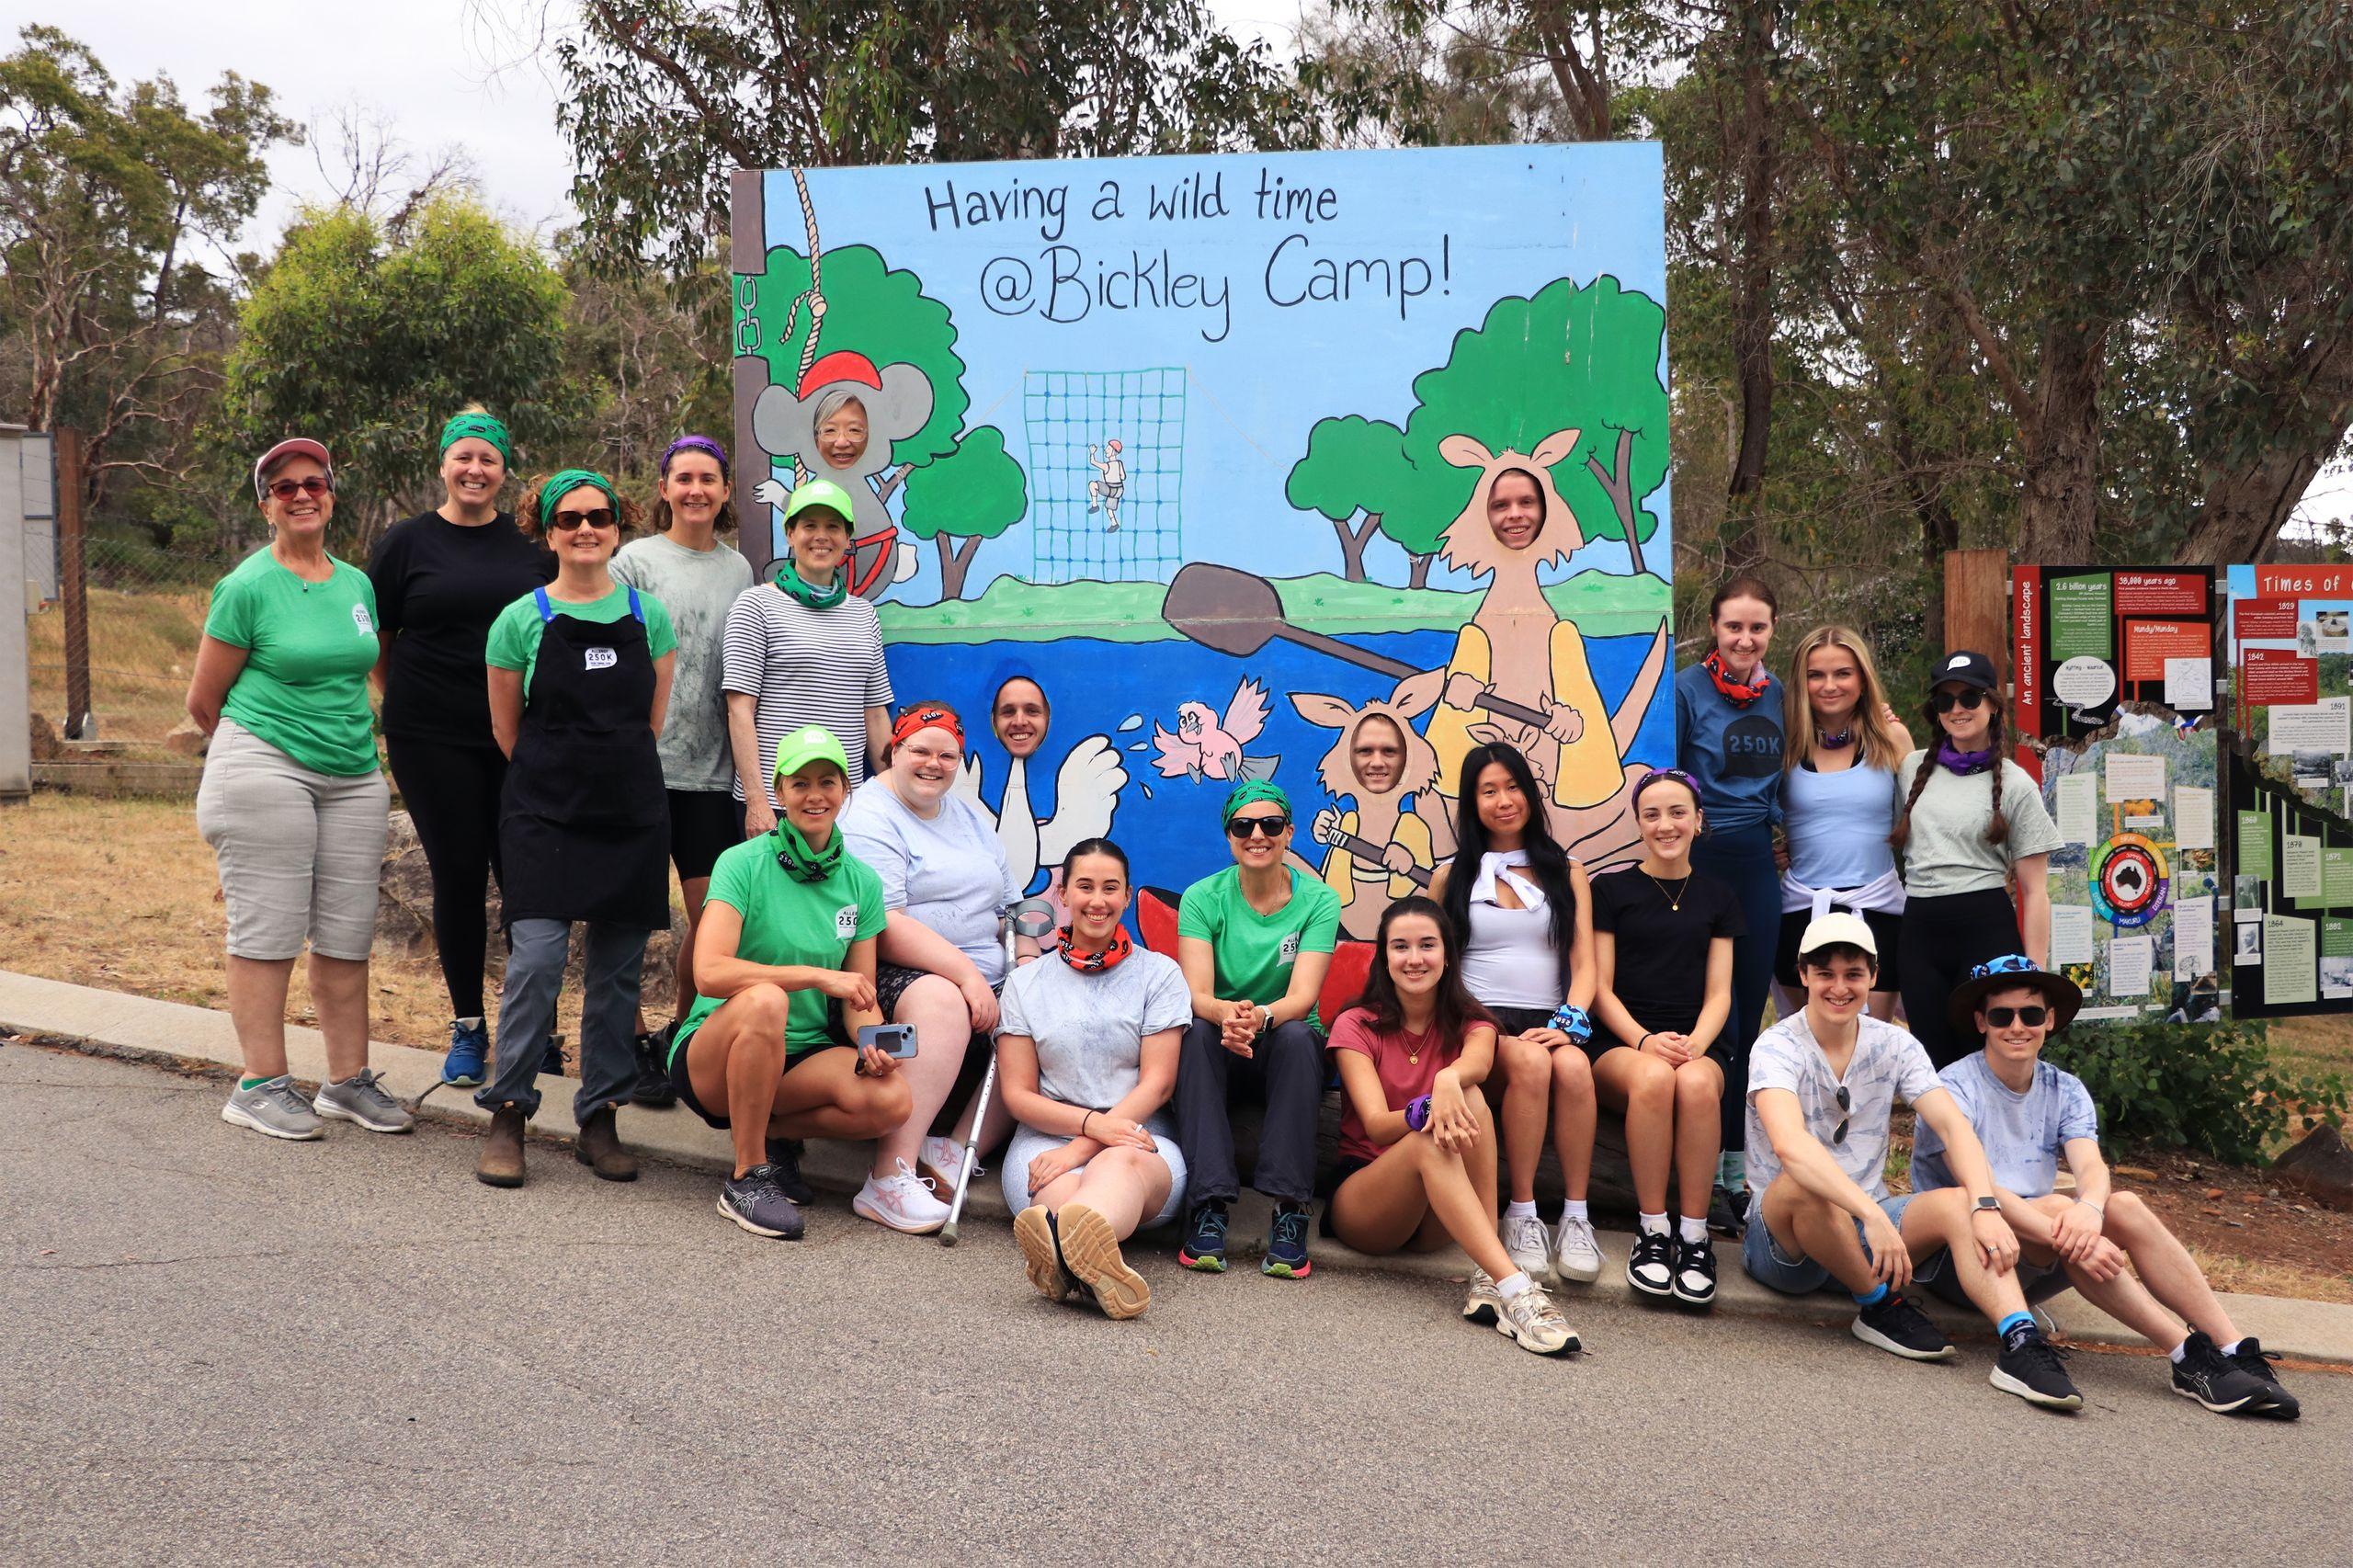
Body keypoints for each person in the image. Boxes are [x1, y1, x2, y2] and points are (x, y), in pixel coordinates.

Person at [1913, 956, 2301, 1417]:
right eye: (2002, 1016)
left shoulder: (2065, 1089)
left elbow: (2091, 1167)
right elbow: (1979, 1186)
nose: (2018, 1027)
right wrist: (2069, 1228)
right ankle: (2186, 1356)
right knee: (2060, 1207)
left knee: (2125, 1205)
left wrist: (2091, 1212)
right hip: (1964, 1261)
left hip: (2033, 1249)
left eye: (2031, 1014)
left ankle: (2232, 1347)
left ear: (2050, 1020)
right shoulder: (1955, 1086)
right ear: (1981, 1022)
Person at [1744, 916, 2085, 1412]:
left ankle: (2021, 1343)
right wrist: (1871, 1213)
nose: (1840, 987)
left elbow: (1952, 1126)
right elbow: (1790, 1145)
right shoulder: (1778, 1044)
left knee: (1955, 1202)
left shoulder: (1896, 1044)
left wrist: (1985, 1204)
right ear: (1803, 976)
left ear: (1874, 976)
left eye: (1853, 974)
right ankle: (1878, 1306)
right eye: (1825, 973)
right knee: (1802, 1184)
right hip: (1788, 1245)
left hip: (1865, 1238)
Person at [189, 438, 410, 1142]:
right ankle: (260, 1083)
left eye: (314, 482)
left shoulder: (355, 583)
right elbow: (204, 701)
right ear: (266, 506)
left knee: (347, 933)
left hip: (351, 773)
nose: (302, 495)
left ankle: (345, 1081)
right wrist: (269, 743)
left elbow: (370, 666)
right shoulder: (247, 586)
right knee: (270, 930)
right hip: (265, 766)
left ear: (332, 495)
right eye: (284, 488)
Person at [472, 471, 676, 1188]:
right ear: (547, 531)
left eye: (599, 516)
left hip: (629, 812)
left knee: (617, 979)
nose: (585, 529)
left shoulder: (650, 616)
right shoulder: (519, 620)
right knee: (535, 963)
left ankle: (599, 1117)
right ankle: (508, 1112)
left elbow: (652, 721)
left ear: (618, 527)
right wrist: (560, 772)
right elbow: (506, 730)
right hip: (543, 812)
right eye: (569, 519)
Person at [368, 409, 554, 1087]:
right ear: (443, 464)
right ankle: (469, 1027)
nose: (475, 470)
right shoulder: (405, 543)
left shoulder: (532, 547)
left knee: (529, 878)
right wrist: (413, 703)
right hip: (429, 739)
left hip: (522, 739)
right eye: (464, 457)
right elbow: (379, 645)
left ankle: (540, 1026)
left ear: (505, 472)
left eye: (489, 460)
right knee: (458, 876)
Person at [666, 726, 909, 1241]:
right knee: (765, 1000)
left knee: (892, 1101)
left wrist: (871, 1040)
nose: (814, 795)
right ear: (779, 793)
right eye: (800, 784)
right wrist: (816, 975)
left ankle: (766, 1130)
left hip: (799, 1056)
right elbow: (709, 971)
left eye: (827, 781)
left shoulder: (861, 882)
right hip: (715, 1048)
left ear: (845, 791)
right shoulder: (740, 864)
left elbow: (859, 996)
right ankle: (748, 1176)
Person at [1326, 898, 1581, 1356]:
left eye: (1427, 945)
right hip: (1368, 1200)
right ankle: (1518, 1292)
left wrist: (1447, 1079)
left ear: (1447, 955)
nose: (1414, 958)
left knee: (1472, 1096)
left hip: (1436, 1216)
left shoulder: (1472, 1021)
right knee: (1427, 1145)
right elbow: (1377, 1127)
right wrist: (1424, 1110)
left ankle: (1487, 1276)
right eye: (1400, 946)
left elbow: (1478, 1065)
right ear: (1384, 957)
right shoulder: (1355, 1024)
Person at [611, 435, 756, 1105]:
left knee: (710, 920)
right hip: (639, 768)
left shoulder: (741, 572)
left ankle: (681, 1034)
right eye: (683, 478)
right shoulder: (633, 562)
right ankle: (632, 1041)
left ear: (726, 492)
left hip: (709, 776)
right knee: (627, 917)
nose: (696, 489)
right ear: (664, 489)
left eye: (709, 479)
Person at [838, 701, 1017, 1232]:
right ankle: (887, 1178)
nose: (933, 764)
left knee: (1049, 1003)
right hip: (887, 979)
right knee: (943, 1002)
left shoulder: (965, 814)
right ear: (895, 749)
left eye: (947, 755)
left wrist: (1027, 958)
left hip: (983, 970)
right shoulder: (870, 815)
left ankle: (954, 1150)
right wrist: (965, 975)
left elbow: (1011, 903)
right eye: (920, 750)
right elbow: (883, 922)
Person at [1431, 742, 1603, 1288]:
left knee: (1574, 1068)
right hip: (1479, 1021)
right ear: (1472, 802)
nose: (1503, 801)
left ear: (1530, 793)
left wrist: (1567, 1026)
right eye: (1488, 791)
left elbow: (1584, 963)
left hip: (1551, 1019)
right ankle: (1522, 1212)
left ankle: (1576, 1215)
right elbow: (1438, 967)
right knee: (1529, 1066)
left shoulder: (1567, 870)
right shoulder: (1449, 877)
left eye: (1512, 787)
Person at [1000, 839, 1188, 1320]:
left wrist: (1089, 1141)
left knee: (1115, 1167)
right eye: (1084, 886)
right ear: (1062, 894)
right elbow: (1018, 1094)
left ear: (1127, 896)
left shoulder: (1160, 975)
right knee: (1064, 1195)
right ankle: (1090, 1262)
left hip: (1140, 1136)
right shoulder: (1026, 983)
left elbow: (1158, 1085)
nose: (1097, 901)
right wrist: (1085, 1128)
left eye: (1110, 888)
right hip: (1045, 1140)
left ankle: (1065, 1259)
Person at [1173, 782, 1343, 1278]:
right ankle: (1209, 1205)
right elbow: (1196, 994)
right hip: (1221, 1031)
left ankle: (1290, 1208)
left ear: (1289, 833)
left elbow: (1303, 997)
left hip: (1281, 1034)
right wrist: (1228, 1017)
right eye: (1243, 826)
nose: (1257, 835)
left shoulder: (1320, 900)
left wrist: (1259, 1018)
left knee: (1297, 1036)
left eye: (1270, 825)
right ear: (1229, 836)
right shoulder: (1203, 897)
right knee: (1194, 1034)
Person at [1587, 768, 1742, 1305]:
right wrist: (1643, 1041)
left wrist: (1698, 1042)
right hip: (1621, 1043)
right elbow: (1599, 988)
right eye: (1651, 814)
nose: (1665, 824)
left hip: (1698, 1039)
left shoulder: (1719, 896)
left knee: (1698, 1087)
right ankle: (1653, 1232)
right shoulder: (1609, 890)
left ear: (1698, 821)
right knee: (1654, 1079)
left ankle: (1695, 1237)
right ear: (1638, 824)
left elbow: (1720, 992)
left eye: (1677, 812)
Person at [1676, 575, 1784, 1237]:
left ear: (1771, 631)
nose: (1745, 639)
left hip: (1755, 864)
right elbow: (1667, 767)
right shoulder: (1687, 689)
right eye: (1733, 627)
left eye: (1758, 628)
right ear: (1715, 628)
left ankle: (1735, 1177)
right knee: (1703, 1016)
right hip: (1700, 857)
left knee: (1747, 1015)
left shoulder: (1779, 696)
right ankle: (1696, 1173)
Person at [1893, 650, 2062, 1067]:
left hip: (1984, 928)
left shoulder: (2016, 784)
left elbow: (2036, 889)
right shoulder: (1911, 768)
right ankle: (1943, 1135)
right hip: (1919, 930)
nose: (1957, 709)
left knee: (1991, 1058)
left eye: (1969, 698)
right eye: (1944, 701)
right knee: (1933, 1060)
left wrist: (2032, 974)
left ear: (1991, 704)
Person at [722, 478, 892, 833]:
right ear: (790, 534)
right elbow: (739, 710)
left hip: (846, 806)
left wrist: (894, 799)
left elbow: (875, 714)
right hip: (777, 804)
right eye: (809, 525)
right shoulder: (756, 605)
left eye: (833, 527)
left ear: (847, 540)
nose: (821, 536)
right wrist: (756, 801)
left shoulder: (864, 615)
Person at [1777, 624, 1914, 1021]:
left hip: (1878, 910)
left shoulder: (1892, 738)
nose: (1829, 685)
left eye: (1842, 673)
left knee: (1872, 1048)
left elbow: (1919, 823)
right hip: (1802, 910)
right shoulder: (1785, 742)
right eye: (1815, 675)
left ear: (1862, 679)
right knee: (1804, 1050)